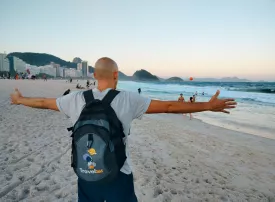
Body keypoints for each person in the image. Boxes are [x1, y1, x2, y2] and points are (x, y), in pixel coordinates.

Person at [10, 57, 236, 202]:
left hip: (86, 175)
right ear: (117, 75)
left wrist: (20, 100)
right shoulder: (128, 100)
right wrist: (207, 105)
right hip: (118, 175)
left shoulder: (76, 99)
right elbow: (168, 106)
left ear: (94, 75)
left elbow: (42, 103)